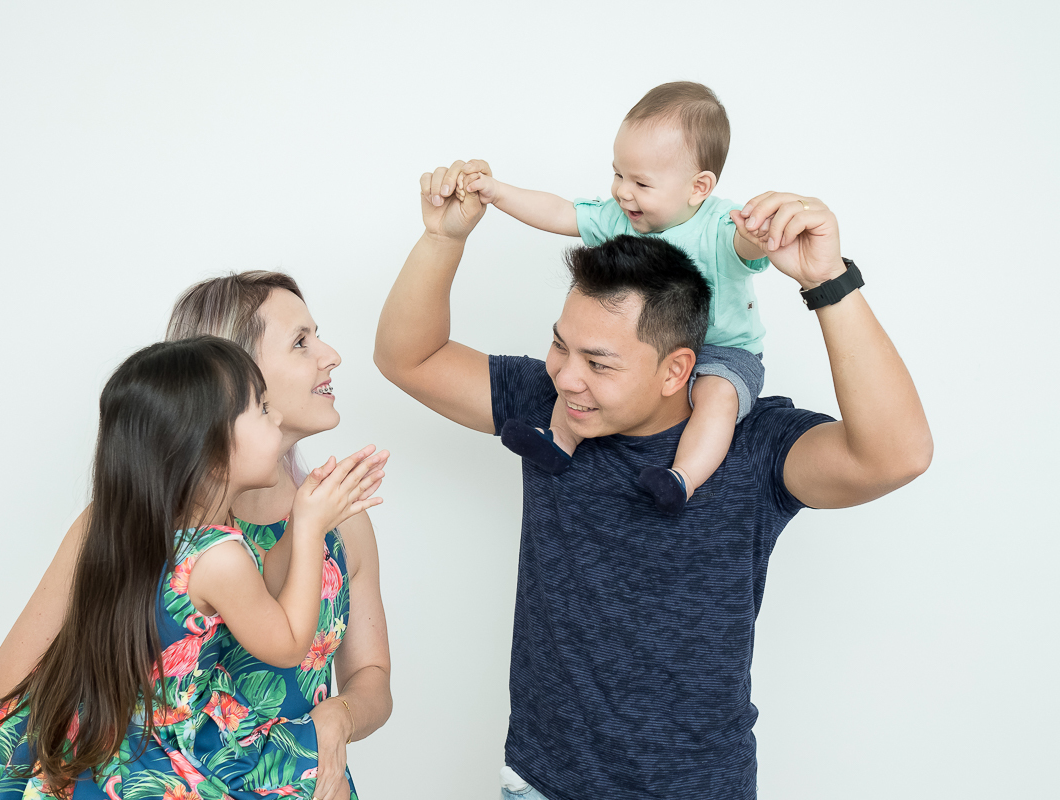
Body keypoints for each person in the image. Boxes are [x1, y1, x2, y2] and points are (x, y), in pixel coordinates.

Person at [374, 165, 932, 799]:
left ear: (677, 370)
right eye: (561, 347)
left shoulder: (752, 444)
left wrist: (830, 283)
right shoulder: (550, 411)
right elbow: (407, 356)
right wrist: (444, 238)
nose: (568, 376)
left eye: (599, 362)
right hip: (541, 783)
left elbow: (896, 455)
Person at [0, 273, 392, 800]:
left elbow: (373, 676)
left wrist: (337, 720)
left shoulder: (341, 521)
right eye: (300, 342)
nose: (330, 355)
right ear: (228, 376)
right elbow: (0, 701)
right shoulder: (127, 527)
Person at [459, 82, 769, 514]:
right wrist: (498, 192)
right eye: (619, 174)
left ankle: (683, 477)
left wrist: (760, 236)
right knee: (580, 378)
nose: (623, 192)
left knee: (717, 398)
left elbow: (747, 249)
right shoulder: (621, 216)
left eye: (641, 182)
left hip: (723, 351)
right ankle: (557, 441)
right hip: (641, 353)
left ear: (699, 187)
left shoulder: (719, 226)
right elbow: (561, 212)